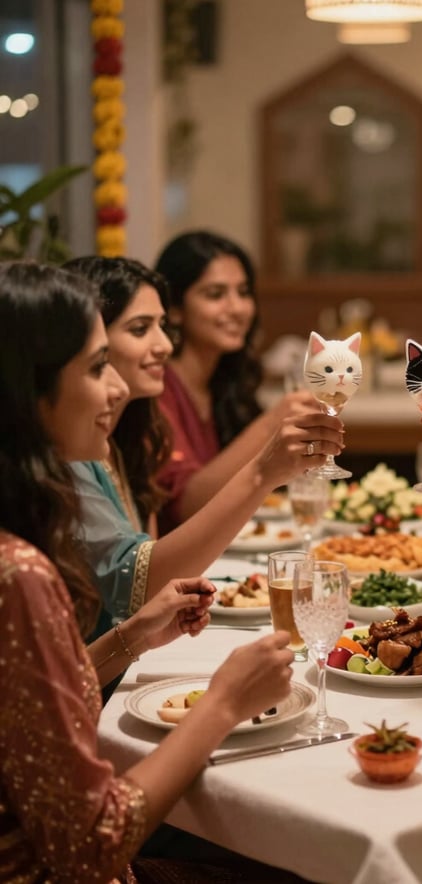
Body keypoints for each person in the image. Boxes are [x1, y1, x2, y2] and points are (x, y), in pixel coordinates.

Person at [0, 261, 297, 883]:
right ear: (30, 391)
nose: (114, 389)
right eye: (95, 367)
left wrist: (131, 637)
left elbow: (26, 710)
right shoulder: (18, 572)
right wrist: (224, 703)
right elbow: (92, 845)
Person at [63, 255, 343, 627]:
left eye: (161, 326)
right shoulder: (70, 451)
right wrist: (262, 472)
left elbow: (149, 580)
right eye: (140, 329)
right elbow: (136, 586)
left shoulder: (124, 435)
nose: (165, 345)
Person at [153, 230, 317, 533]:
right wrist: (272, 424)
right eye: (215, 294)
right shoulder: (157, 388)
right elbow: (186, 505)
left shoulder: (224, 381)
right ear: (175, 310)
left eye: (243, 292)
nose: (238, 308)